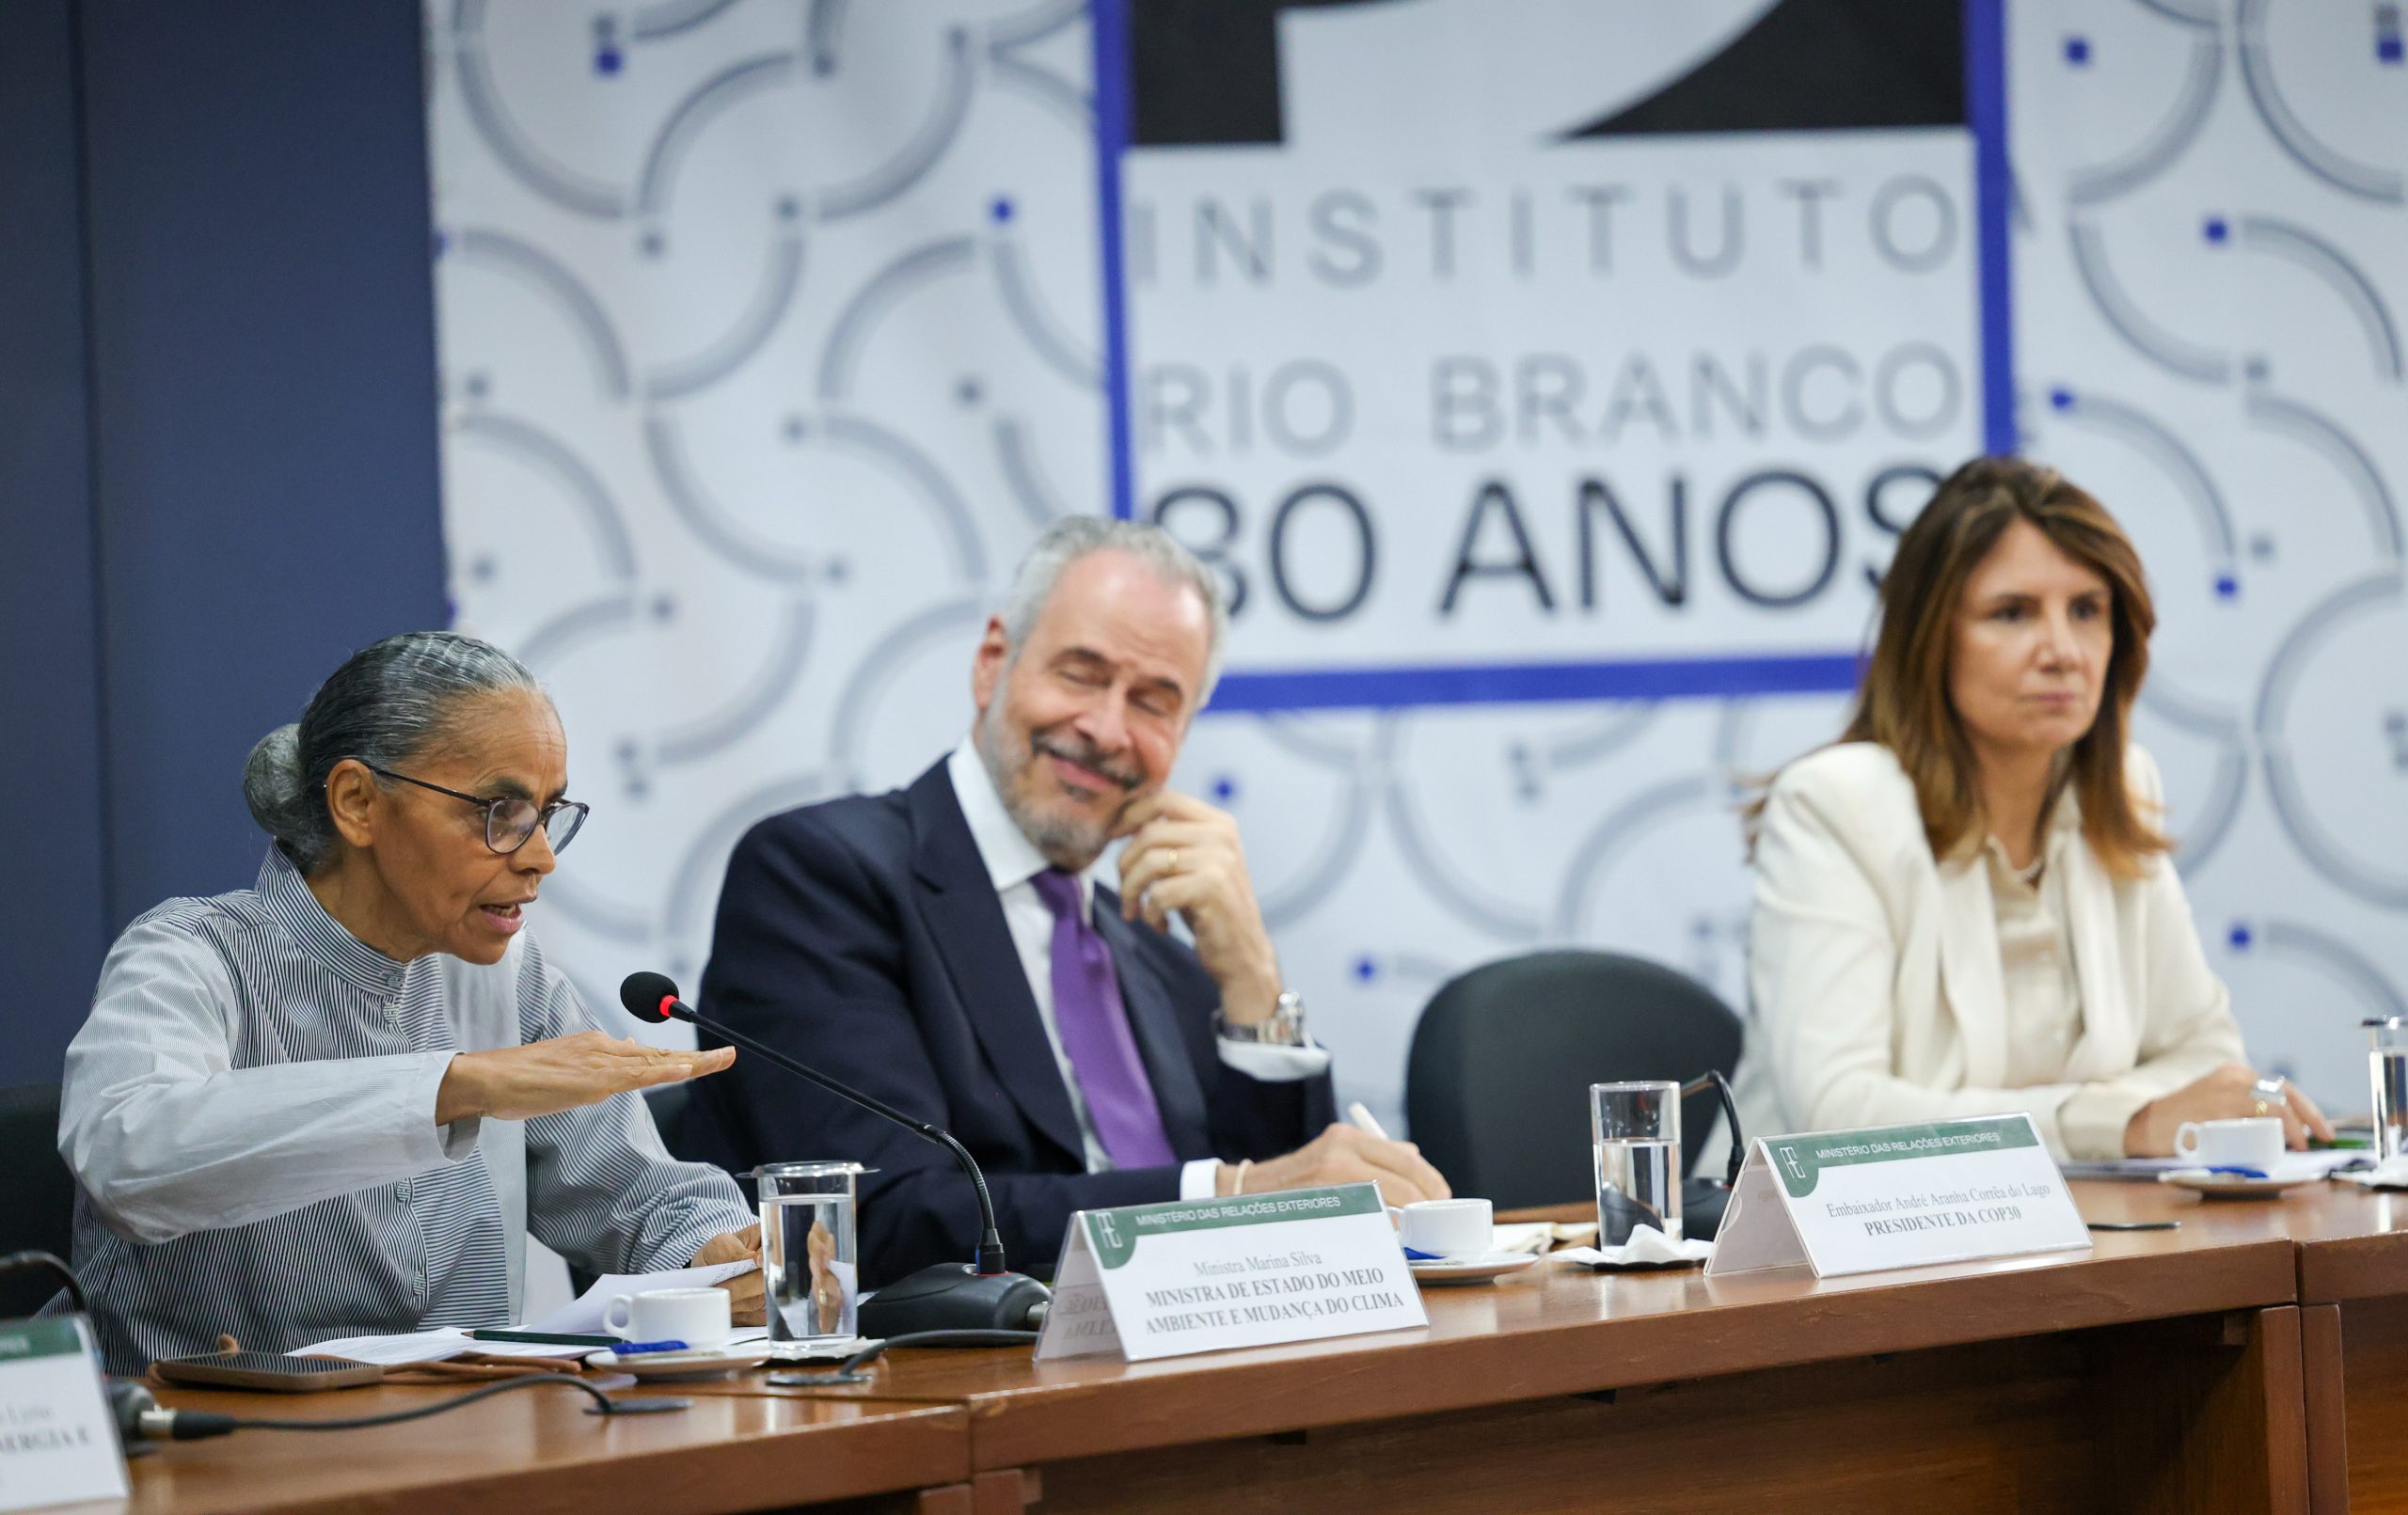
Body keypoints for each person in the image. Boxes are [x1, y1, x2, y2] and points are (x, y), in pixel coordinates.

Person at [682, 517, 1447, 1283]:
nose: (1107, 728)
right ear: (992, 664)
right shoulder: (820, 877)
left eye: (1153, 700)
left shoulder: (1164, 962)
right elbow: (876, 1219)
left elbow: (1306, 1239)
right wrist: (1227, 1195)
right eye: (1081, 673)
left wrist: (1251, 982)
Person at [58, 633, 764, 1373]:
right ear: (358, 803)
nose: (539, 856)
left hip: (465, 1438)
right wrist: (456, 1085)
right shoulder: (192, 953)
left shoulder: (507, 978)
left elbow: (642, 1196)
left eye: (548, 812)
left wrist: (717, 1252)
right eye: (498, 810)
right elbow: (127, 1156)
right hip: (211, 1452)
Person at [1727, 457, 2330, 1163]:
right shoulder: (1836, 804)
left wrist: (2144, 1113)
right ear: (1930, 640)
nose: (2063, 652)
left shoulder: (2121, 786)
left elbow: (2204, 1057)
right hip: (1812, 1261)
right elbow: (1837, 1115)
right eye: (2011, 613)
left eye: (2087, 610)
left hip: (2068, 1234)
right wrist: (2119, 1124)